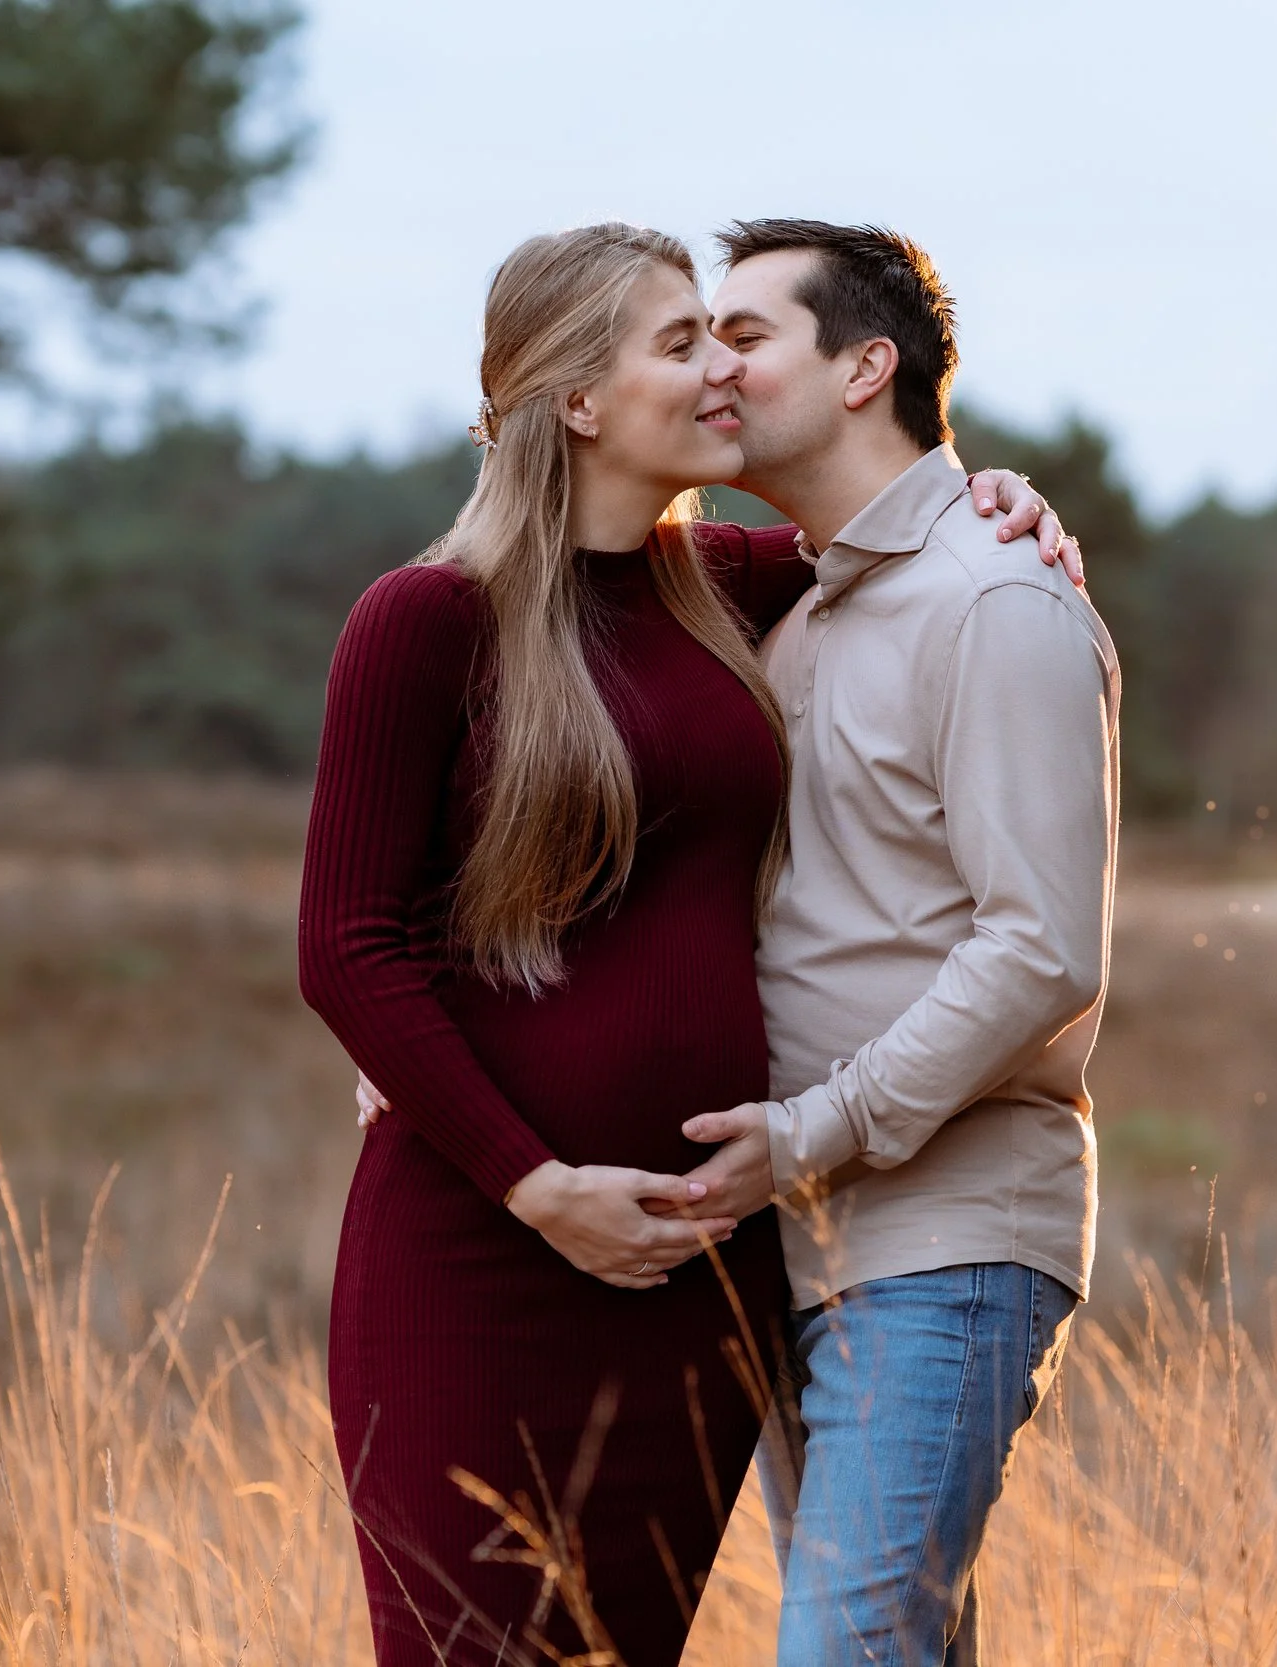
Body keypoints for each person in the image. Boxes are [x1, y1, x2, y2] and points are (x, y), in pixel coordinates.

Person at [300, 222, 1077, 1667]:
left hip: (695, 1281)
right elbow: (345, 949)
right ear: (578, 398)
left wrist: (1002, 496)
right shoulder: (425, 621)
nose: (718, 373)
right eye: (681, 343)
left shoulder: (722, 585)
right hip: (483, 1256)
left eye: (729, 339)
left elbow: (903, 528)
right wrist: (536, 1185)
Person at [676, 220, 1119, 1665]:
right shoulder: (801, 613)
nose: (711, 367)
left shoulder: (995, 597)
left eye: (746, 334)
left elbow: (1043, 948)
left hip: (943, 1242)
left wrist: (813, 1129)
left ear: (867, 365)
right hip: (798, 1243)